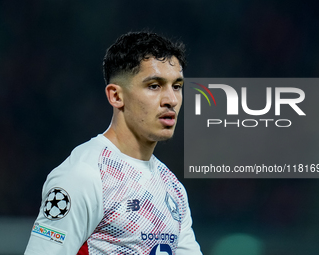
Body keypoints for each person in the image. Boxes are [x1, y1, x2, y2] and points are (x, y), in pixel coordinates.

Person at [24, 31, 202, 255]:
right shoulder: (84, 176)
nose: (172, 100)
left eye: (176, 86)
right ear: (116, 96)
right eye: (154, 86)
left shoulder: (172, 187)